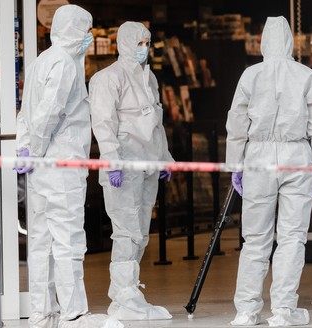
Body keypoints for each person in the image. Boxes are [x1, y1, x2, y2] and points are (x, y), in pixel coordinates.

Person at [14, 5, 122, 328]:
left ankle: (42, 312)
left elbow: (26, 112)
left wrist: (25, 149)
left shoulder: (38, 63)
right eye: (86, 29)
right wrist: (34, 148)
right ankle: (73, 312)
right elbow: (49, 112)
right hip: (61, 165)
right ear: (75, 29)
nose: (89, 36)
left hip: (40, 170)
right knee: (68, 240)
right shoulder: (65, 64)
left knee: (41, 242)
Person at [225, 16, 312, 326]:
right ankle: (283, 310)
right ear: (289, 41)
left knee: (255, 238)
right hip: (296, 155)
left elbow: (237, 123)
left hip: (257, 157)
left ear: (262, 41)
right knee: (292, 238)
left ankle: (246, 309)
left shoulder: (250, 75)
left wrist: (235, 164)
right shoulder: (305, 75)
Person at [89, 21, 174, 320]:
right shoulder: (107, 78)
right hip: (123, 165)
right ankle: (123, 295)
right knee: (125, 231)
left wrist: (164, 158)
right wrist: (112, 160)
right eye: (139, 42)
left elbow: (156, 121)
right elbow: (103, 123)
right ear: (124, 42)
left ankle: (130, 291)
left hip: (147, 162)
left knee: (140, 232)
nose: (144, 48)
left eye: (147, 42)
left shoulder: (149, 79)